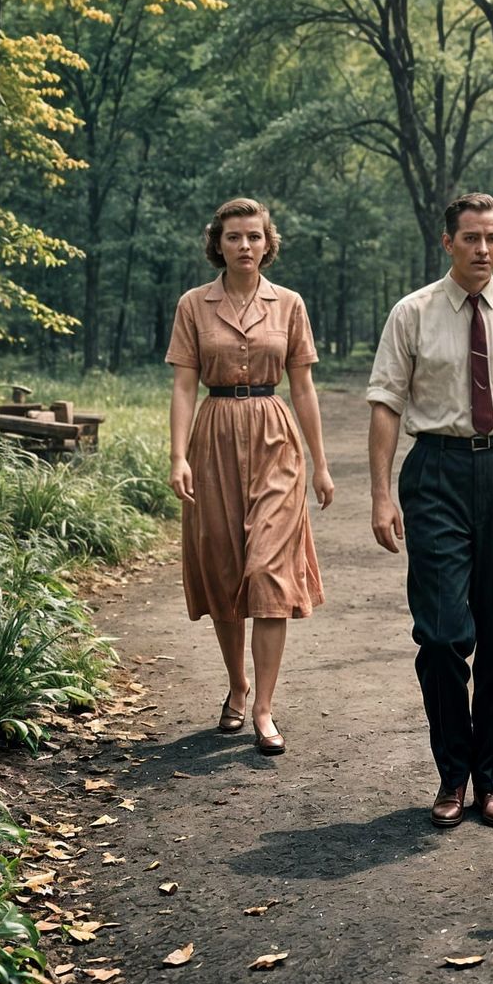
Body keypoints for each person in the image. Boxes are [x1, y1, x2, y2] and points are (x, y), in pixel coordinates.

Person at [367, 193, 493, 830]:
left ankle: (490, 780)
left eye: (492, 238)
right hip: (436, 472)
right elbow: (385, 404)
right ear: (448, 242)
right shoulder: (413, 313)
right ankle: (452, 772)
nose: (483, 249)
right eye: (471, 238)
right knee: (441, 633)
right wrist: (380, 494)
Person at [167, 197, 333, 757]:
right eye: (234, 236)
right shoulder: (194, 304)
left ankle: (263, 706)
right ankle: (236, 685)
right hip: (213, 436)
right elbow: (183, 386)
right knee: (224, 570)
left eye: (254, 236)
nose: (244, 245)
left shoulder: (289, 304)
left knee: (268, 573)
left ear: (268, 244)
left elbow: (303, 387)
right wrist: (178, 456)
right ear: (218, 243)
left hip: (274, 437)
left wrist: (321, 463)